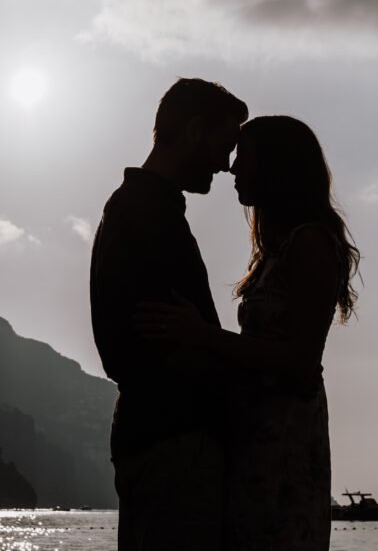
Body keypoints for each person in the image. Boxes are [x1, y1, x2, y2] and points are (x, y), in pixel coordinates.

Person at [135, 115, 360, 551]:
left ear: (277, 167)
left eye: (245, 158)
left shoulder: (311, 243)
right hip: (256, 437)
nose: (233, 169)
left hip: (283, 445)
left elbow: (300, 361)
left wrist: (203, 336)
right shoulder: (279, 248)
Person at [89, 77, 248, 551]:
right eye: (227, 144)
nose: (227, 165)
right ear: (196, 130)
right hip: (174, 439)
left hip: (155, 433)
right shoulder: (147, 213)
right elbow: (146, 344)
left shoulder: (141, 207)